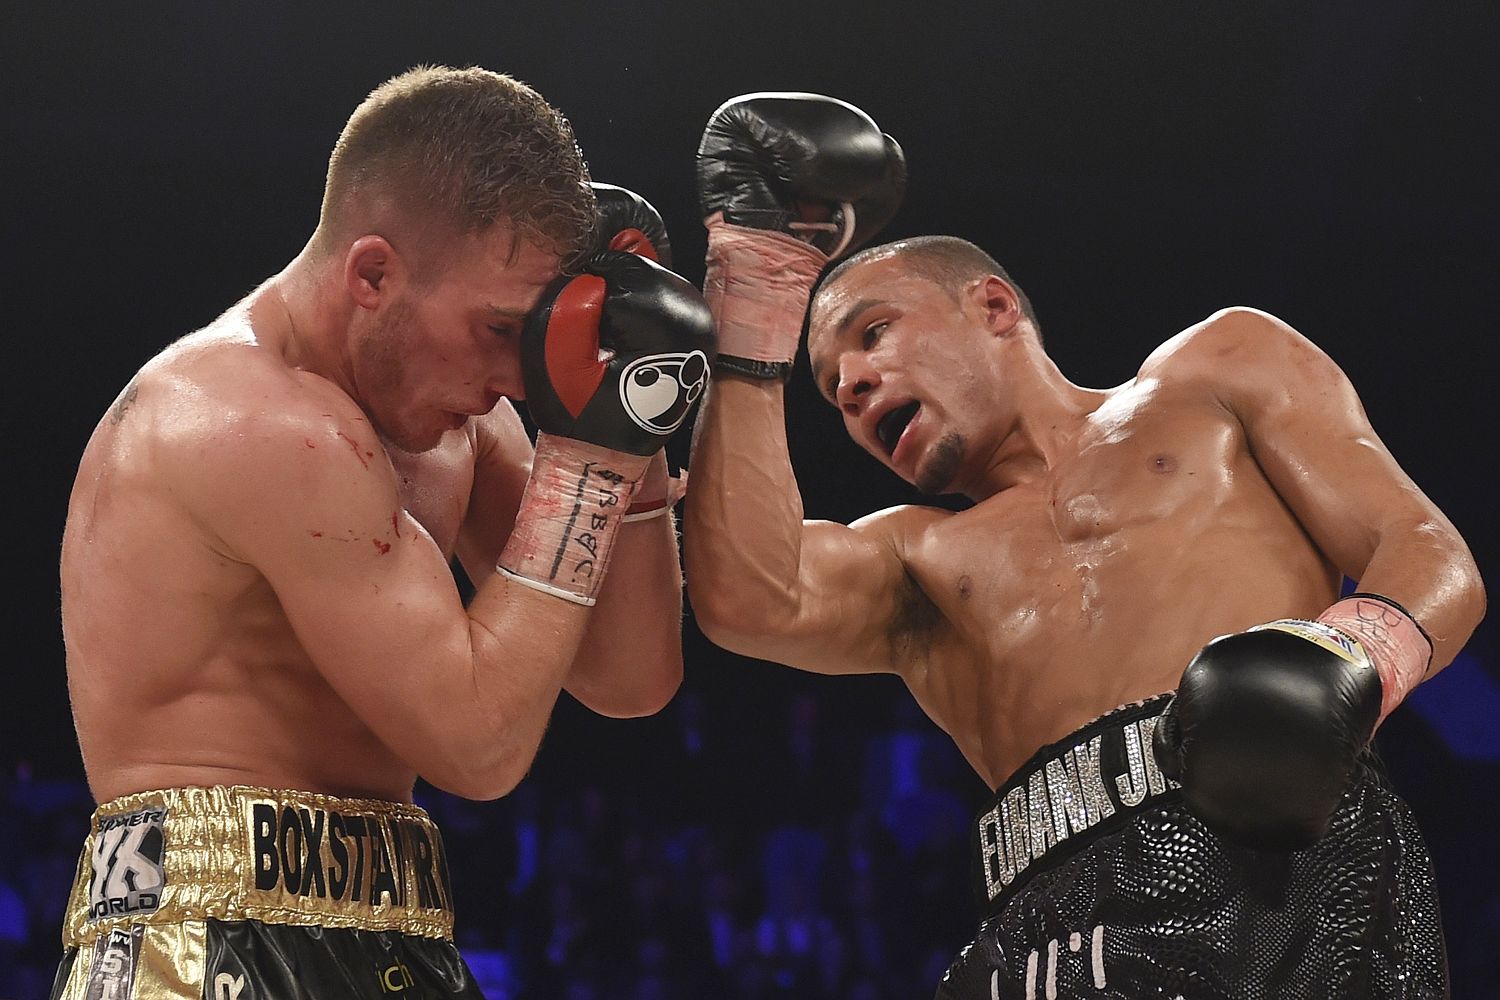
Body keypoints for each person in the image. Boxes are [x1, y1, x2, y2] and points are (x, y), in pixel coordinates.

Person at [682, 92, 1485, 999]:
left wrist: (1352, 659)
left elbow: (1424, 550)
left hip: (1292, 857)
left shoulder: (1218, 368)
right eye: (833, 391)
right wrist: (752, 294)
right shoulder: (914, 562)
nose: (857, 385)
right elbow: (746, 598)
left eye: (874, 334)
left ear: (991, 305)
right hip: (1057, 930)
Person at [53, 66, 713, 999]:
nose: (516, 376)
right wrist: (590, 459)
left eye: (529, 340)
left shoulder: (460, 418)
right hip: (202, 930)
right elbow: (478, 745)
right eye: (497, 330)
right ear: (372, 274)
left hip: (400, 927)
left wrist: (629, 423)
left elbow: (630, 677)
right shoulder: (259, 421)